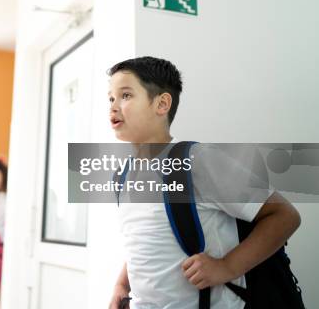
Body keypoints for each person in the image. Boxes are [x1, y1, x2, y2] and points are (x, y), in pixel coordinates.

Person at [107, 56, 301, 309]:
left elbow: (284, 216)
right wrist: (123, 284)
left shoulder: (200, 162)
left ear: (162, 103)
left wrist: (226, 267)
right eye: (110, 98)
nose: (113, 106)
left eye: (126, 96)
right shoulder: (122, 176)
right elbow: (145, 238)